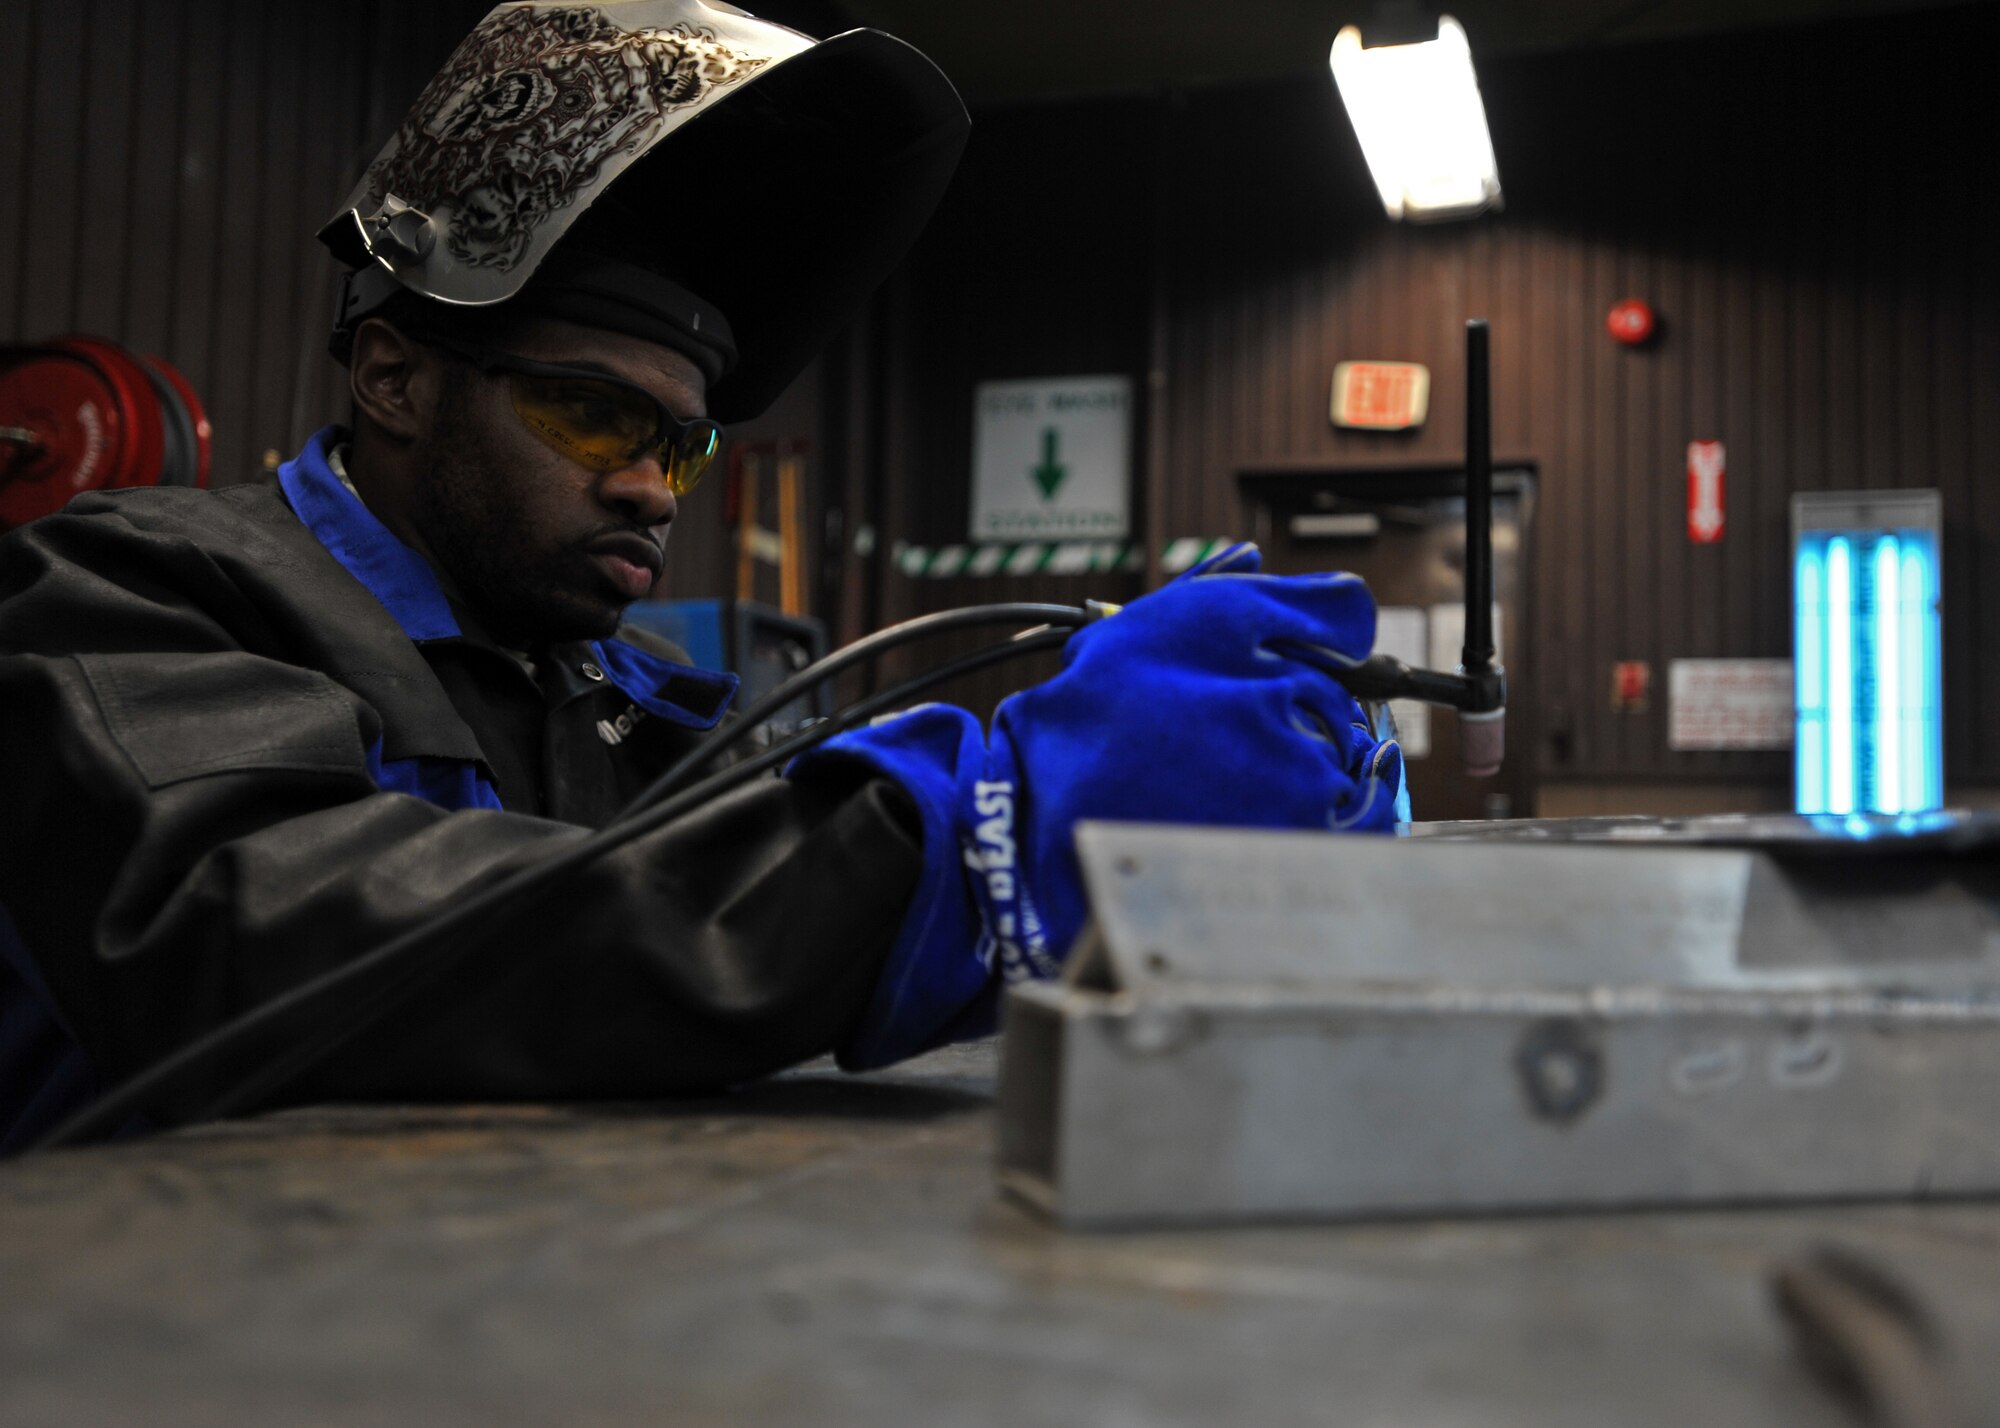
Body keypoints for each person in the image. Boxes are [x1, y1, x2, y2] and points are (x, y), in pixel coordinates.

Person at [0, 0, 1402, 1154]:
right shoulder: (122, 600)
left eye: (682, 443)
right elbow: (280, 930)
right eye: (595, 417)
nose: (651, 485)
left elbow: (751, 857)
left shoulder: (645, 705)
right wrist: (976, 838)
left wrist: (1187, 793)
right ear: (396, 379)